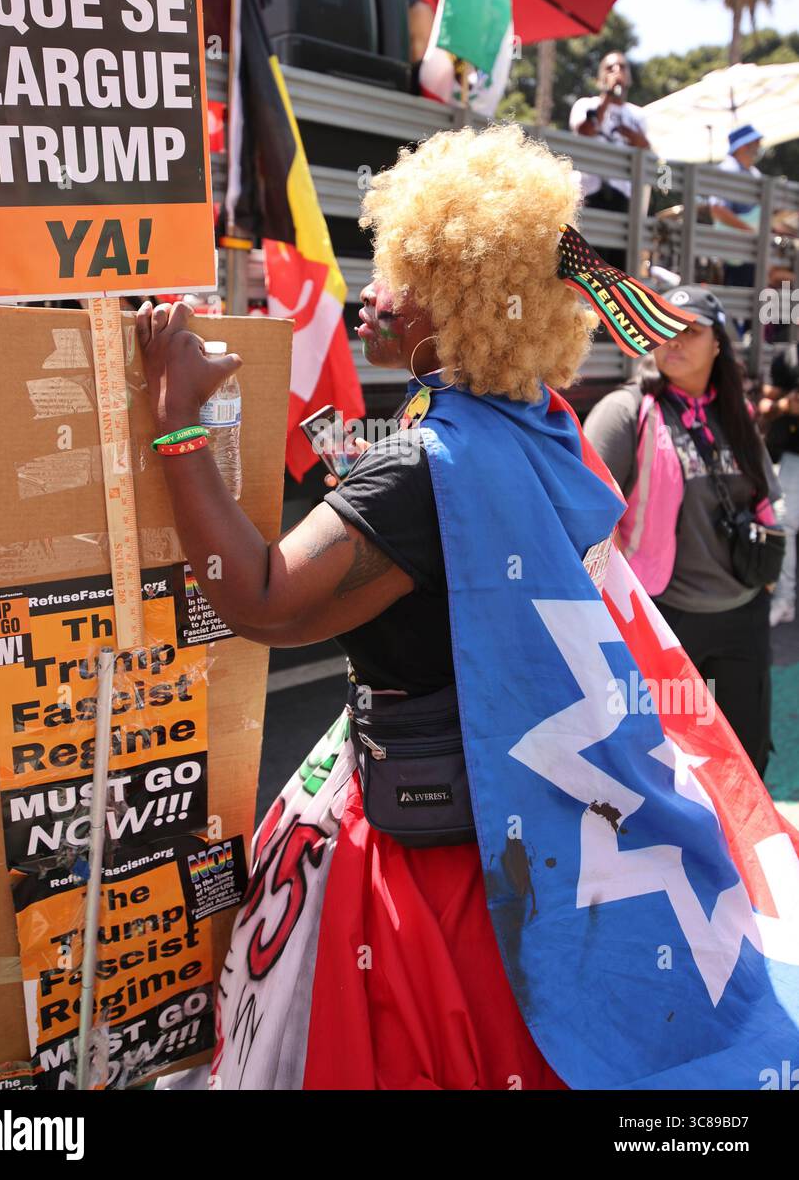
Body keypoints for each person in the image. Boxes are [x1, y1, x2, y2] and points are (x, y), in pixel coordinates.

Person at [140, 128, 797, 1092]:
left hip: (435, 889)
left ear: (458, 299)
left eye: (399, 274)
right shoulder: (541, 427)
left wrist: (177, 425)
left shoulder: (427, 465)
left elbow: (263, 599)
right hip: (528, 862)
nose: (373, 292)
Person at [584, 285, 782, 775]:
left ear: (718, 343)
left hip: (742, 617)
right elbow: (581, 512)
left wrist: (769, 578)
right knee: (666, 766)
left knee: (743, 760)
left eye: (690, 330)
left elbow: (765, 498)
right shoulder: (627, 411)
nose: (673, 340)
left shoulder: (736, 412)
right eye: (664, 327)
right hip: (662, 618)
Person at [568, 51, 651, 215]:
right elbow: (584, 132)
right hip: (586, 192)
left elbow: (646, 149)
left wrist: (632, 136)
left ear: (629, 78)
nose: (617, 70)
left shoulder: (637, 114)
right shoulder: (585, 104)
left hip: (622, 195)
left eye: (622, 67)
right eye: (610, 67)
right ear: (600, 78)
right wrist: (608, 95)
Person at [759, 343, 799, 625]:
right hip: (792, 454)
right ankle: (784, 600)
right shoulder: (788, 355)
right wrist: (785, 403)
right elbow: (768, 398)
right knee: (783, 522)